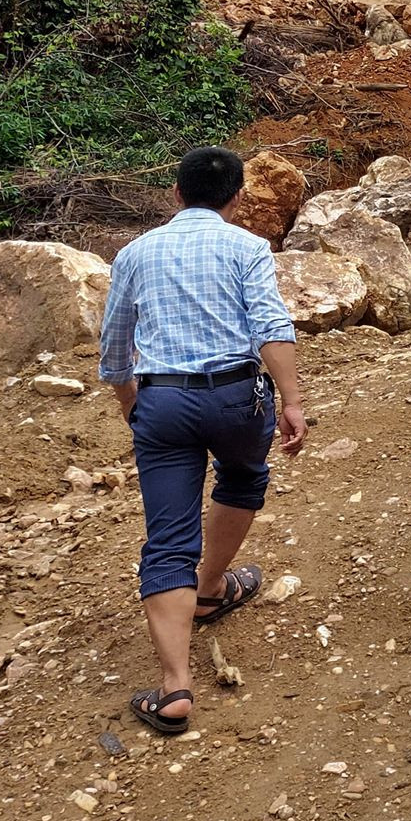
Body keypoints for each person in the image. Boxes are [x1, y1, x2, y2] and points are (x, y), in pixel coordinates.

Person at [98, 146, 307, 735]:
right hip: (237, 396)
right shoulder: (247, 248)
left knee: (167, 540)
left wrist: (129, 401)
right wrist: (291, 400)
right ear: (237, 198)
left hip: (162, 400)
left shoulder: (135, 253)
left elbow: (115, 343)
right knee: (243, 476)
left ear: (175, 193)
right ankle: (212, 587)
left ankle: (173, 690)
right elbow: (270, 324)